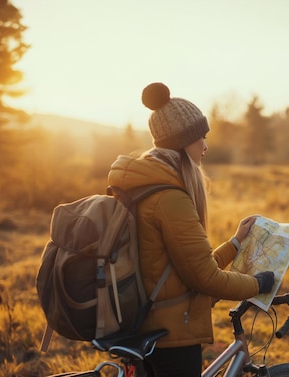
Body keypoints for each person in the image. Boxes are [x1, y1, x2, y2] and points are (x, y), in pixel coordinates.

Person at [107, 82, 275, 377]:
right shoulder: (169, 198)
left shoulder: (146, 186)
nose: (206, 146)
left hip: (145, 325)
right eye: (201, 138)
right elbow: (206, 279)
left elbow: (187, 267)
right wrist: (258, 284)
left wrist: (235, 243)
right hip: (171, 336)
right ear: (182, 143)